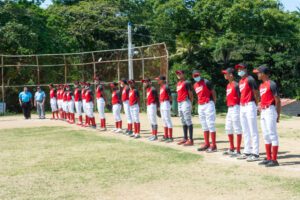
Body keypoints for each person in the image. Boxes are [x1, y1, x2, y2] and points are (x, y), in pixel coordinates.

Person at [253, 65, 281, 167]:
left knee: (272, 134)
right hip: (264, 111)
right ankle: (269, 157)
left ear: (263, 73)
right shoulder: (261, 85)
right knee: (266, 135)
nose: (257, 74)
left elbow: (277, 100)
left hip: (270, 110)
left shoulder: (272, 84)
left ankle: (274, 160)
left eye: (258, 73)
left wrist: (277, 114)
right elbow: (262, 98)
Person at [235, 63, 260, 162]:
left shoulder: (250, 79)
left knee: (252, 129)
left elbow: (256, 93)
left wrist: (257, 106)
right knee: (245, 129)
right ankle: (247, 151)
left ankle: (255, 153)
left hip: (250, 105)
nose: (239, 70)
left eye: (241, 68)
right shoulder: (241, 81)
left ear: (245, 69)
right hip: (242, 106)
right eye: (238, 69)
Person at [193, 70, 217, 153]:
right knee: (204, 125)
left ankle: (213, 145)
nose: (196, 77)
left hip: (208, 104)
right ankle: (207, 144)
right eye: (195, 76)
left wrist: (213, 103)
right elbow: (198, 96)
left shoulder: (206, 82)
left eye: (197, 75)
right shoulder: (195, 85)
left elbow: (213, 92)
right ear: (193, 77)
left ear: (200, 74)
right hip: (200, 105)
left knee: (210, 124)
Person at [222, 68, 243, 157]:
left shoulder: (236, 85)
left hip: (236, 107)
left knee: (237, 128)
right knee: (228, 128)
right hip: (230, 108)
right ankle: (232, 148)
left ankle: (238, 150)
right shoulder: (228, 85)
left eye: (226, 73)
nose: (225, 75)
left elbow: (241, 97)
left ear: (231, 75)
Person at [176, 70, 194, 146]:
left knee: (188, 120)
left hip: (185, 101)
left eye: (180, 73)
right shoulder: (178, 83)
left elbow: (191, 94)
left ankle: (191, 140)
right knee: (183, 120)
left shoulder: (187, 82)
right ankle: (185, 138)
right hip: (179, 102)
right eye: (177, 74)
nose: (179, 75)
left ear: (183, 74)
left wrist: (191, 103)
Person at [155, 75, 173, 143]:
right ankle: (166, 135)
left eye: (158, 79)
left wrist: (170, 104)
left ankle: (170, 137)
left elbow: (170, 96)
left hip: (166, 103)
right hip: (162, 103)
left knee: (167, 119)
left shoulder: (166, 86)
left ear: (162, 80)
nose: (157, 81)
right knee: (163, 120)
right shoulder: (161, 87)